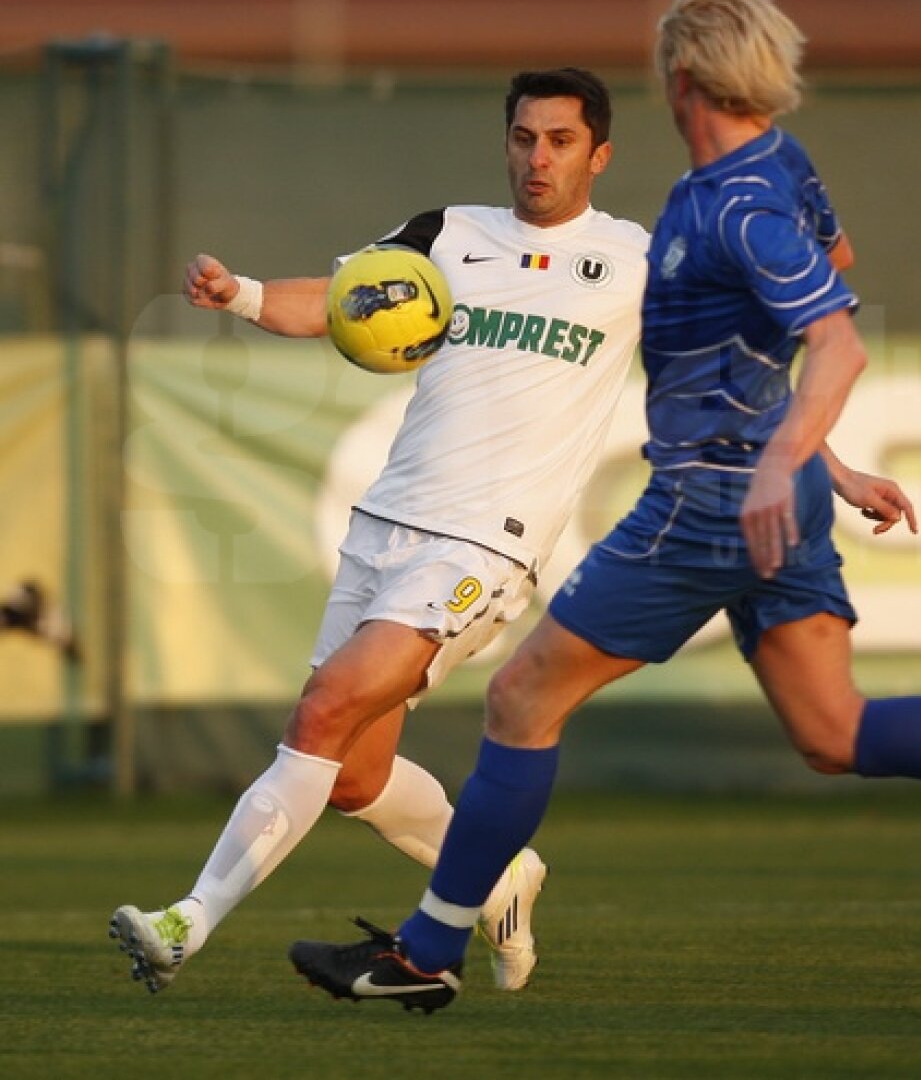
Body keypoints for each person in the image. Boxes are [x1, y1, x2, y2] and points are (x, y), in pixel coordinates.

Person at [287, 0, 921, 1014]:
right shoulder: (776, 169)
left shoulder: (736, 205)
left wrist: (781, 456)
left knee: (520, 699)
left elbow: (839, 342)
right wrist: (824, 467)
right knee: (834, 731)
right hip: (779, 487)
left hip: (713, 497)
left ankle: (423, 953)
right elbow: (832, 262)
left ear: (680, 80)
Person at [108, 67, 651, 997]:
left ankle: (183, 922)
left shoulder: (637, 257)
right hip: (387, 522)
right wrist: (238, 293)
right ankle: (503, 876)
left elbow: (750, 314)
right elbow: (335, 299)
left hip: (487, 544)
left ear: (598, 153)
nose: (538, 157)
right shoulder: (449, 233)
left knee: (322, 709)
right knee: (355, 773)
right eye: (524, 137)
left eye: (561, 140)